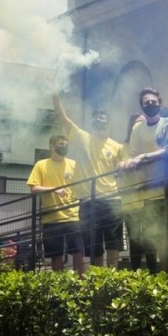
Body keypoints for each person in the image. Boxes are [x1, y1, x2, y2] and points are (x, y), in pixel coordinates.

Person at [52, 91, 122, 268]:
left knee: (114, 244)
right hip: (89, 201)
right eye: (97, 116)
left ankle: (113, 278)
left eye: (103, 116)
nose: (100, 119)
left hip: (112, 200)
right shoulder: (83, 137)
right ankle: (99, 281)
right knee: (94, 247)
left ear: (109, 121)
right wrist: (55, 95)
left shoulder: (117, 146)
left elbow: (122, 171)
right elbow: (63, 117)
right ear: (92, 121)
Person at [117, 88, 168, 273]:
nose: (150, 104)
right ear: (142, 106)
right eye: (146, 103)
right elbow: (133, 153)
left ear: (159, 102)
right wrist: (128, 162)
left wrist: (143, 157)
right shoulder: (137, 128)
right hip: (147, 192)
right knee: (153, 235)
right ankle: (157, 275)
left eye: (153, 101)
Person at [27, 135, 84, 275]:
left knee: (78, 251)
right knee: (55, 255)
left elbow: (82, 185)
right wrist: (54, 190)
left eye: (66, 144)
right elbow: (33, 188)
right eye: (61, 144)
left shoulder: (73, 164)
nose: (64, 147)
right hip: (51, 217)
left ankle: (80, 283)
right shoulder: (41, 165)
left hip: (72, 215)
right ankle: (59, 284)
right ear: (52, 146)